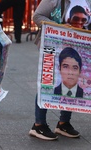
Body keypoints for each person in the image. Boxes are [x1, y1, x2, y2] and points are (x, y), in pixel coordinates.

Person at [29, 0, 91, 141]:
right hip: (52, 45)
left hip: (79, 46)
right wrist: (60, 28)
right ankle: (39, 125)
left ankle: (64, 123)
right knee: (47, 82)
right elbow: (38, 17)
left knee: (72, 81)